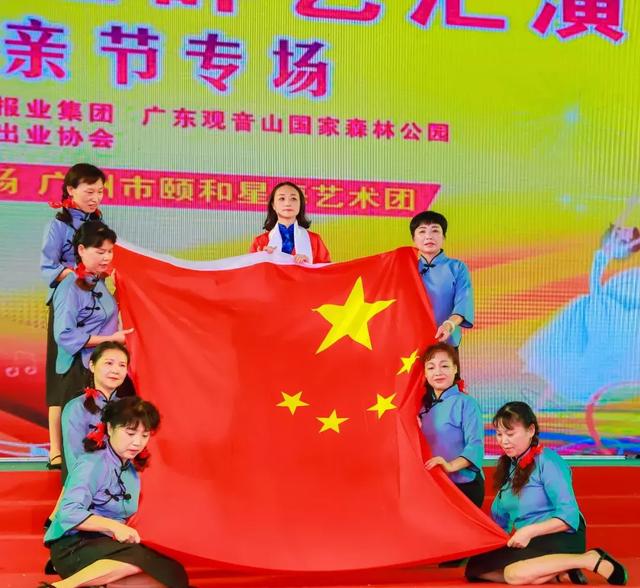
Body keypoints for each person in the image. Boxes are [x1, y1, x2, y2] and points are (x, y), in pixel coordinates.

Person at [465, 401, 628, 585]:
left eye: (510, 434)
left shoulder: (548, 461)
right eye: (499, 434)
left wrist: (529, 531)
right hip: (531, 539)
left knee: (513, 574)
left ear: (531, 430)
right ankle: (557, 574)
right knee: (475, 568)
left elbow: (569, 516)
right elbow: (500, 523)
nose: (504, 441)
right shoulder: (509, 466)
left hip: (561, 535)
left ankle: (588, 559)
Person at [42, 397, 189, 588]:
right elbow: (68, 512)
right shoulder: (92, 463)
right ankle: (62, 586)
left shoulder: (131, 471)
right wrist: (114, 527)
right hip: (73, 546)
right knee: (139, 557)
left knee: (173, 574)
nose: (137, 442)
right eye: (130, 433)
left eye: (144, 435)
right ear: (110, 428)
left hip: (105, 546)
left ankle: (98, 585)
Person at [40, 163, 106, 470]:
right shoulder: (58, 224)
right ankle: (56, 450)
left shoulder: (99, 224)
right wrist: (76, 273)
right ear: (71, 190)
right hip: (68, 304)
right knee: (62, 377)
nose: (96, 197)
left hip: (96, 306)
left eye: (100, 192)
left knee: (91, 376)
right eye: (89, 191)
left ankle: (89, 443)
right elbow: (48, 266)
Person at [52, 221, 133, 412]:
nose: (106, 257)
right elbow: (64, 334)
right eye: (100, 251)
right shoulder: (69, 287)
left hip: (102, 366)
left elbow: (104, 314)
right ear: (81, 250)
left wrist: (122, 291)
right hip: (80, 370)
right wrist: (111, 339)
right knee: (82, 424)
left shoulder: (98, 281)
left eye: (110, 251)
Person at [418, 343, 484, 508]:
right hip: (433, 485)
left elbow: (475, 447)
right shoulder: (421, 409)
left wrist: (450, 466)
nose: (438, 372)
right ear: (425, 373)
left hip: (464, 485)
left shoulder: (466, 403)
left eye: (445, 366)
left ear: (455, 369)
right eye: (431, 367)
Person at [62, 341, 135, 475]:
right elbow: (75, 458)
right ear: (92, 365)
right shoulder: (76, 407)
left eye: (122, 365)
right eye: (109, 363)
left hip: (124, 484)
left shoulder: (128, 409)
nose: (115, 370)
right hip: (88, 483)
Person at [410, 210, 473, 353]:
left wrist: (449, 325)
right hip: (412, 344)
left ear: (443, 236)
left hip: (446, 341)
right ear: (413, 239)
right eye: (422, 231)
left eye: (435, 230)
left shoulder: (457, 267)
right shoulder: (407, 268)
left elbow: (463, 303)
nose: (428, 236)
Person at [250, 182, 331, 263]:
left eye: (293, 199)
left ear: (300, 204)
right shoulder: (260, 242)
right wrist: (262, 259)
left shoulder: (314, 240)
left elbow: (326, 269)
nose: (288, 203)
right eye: (282, 198)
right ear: (273, 205)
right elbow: (250, 269)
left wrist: (308, 265)